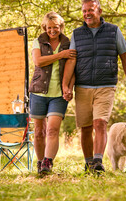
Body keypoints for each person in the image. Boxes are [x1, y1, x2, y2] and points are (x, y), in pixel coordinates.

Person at [62, 0, 126, 173]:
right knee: (85, 128)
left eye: (91, 10)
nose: (87, 14)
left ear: (99, 11)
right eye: (84, 11)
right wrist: (66, 86)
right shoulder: (77, 34)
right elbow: (71, 61)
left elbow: (125, 56)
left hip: (106, 85)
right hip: (83, 86)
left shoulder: (113, 31)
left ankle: (98, 161)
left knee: (100, 123)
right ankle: (88, 164)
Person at [29, 11, 76, 175]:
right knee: (39, 132)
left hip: (58, 95)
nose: (52, 31)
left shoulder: (69, 43)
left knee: (53, 130)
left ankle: (48, 163)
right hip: (38, 92)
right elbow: (38, 61)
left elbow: (73, 68)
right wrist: (60, 55)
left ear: (61, 27)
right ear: (45, 27)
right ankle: (40, 162)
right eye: (49, 28)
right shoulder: (38, 42)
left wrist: (69, 87)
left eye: (55, 27)